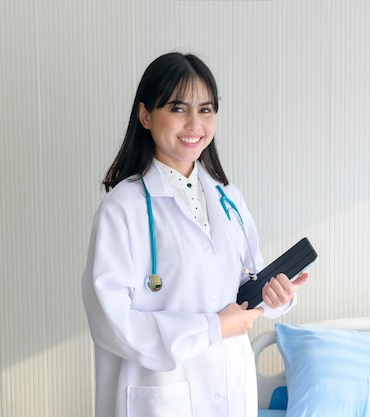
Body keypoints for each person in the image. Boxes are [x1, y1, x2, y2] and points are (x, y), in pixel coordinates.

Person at [81, 52, 308, 417]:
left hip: (230, 387)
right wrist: (211, 327)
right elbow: (111, 322)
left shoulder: (228, 198)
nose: (194, 124)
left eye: (206, 110)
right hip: (160, 394)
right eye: (178, 108)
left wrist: (273, 297)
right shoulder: (122, 209)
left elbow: (243, 285)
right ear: (145, 115)